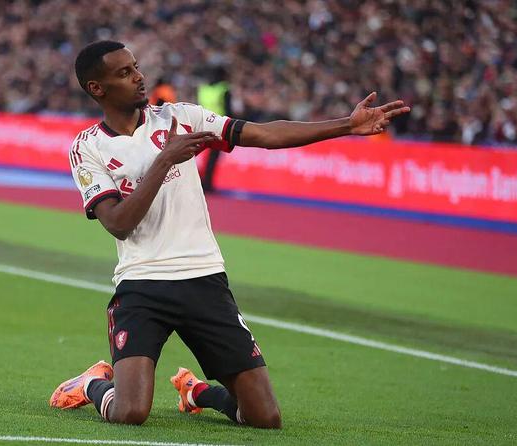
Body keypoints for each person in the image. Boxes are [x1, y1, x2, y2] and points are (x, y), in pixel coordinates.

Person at [49, 40, 410, 428]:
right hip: (142, 284)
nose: (139, 76)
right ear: (97, 88)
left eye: (136, 66)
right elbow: (119, 223)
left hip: (203, 278)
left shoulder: (182, 117)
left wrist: (346, 126)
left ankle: (197, 393)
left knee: (264, 418)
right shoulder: (87, 148)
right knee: (130, 412)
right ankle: (92, 384)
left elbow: (265, 134)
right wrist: (165, 159)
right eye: (124, 73)